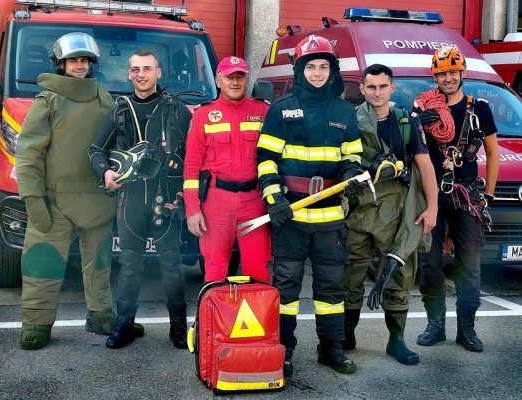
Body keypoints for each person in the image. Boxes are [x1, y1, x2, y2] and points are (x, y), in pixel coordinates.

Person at [256, 35, 364, 377]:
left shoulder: (344, 112)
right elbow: (266, 160)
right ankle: (283, 351)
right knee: (286, 289)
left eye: (323, 67)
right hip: (291, 214)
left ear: (332, 71)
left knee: (331, 288)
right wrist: (274, 199)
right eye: (311, 67)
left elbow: (352, 158)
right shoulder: (280, 110)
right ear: (299, 70)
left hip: (330, 216)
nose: (317, 73)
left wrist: (353, 173)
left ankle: (331, 349)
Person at [16, 32, 117, 350]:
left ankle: (102, 316)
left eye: (84, 60)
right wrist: (32, 197)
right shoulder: (48, 99)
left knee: (100, 264)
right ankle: (36, 324)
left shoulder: (104, 97)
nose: (80, 66)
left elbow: (115, 144)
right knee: (42, 263)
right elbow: (29, 153)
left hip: (97, 197)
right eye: (73, 61)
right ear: (60, 64)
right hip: (54, 199)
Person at [88, 49, 192, 349]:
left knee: (171, 264)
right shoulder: (120, 110)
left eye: (147, 69)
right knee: (130, 264)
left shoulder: (177, 110)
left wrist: (185, 194)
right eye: (135, 69)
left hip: (167, 201)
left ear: (158, 73)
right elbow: (95, 149)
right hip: (130, 200)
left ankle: (178, 328)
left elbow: (196, 156)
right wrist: (106, 172)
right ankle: (124, 326)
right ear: (129, 73)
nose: (141, 74)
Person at [343, 64, 438, 365]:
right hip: (359, 207)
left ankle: (396, 341)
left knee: (399, 274)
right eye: (371, 87)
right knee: (351, 271)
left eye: (383, 86)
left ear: (392, 88)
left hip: (397, 206)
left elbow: (424, 165)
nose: (377, 93)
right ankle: (346, 335)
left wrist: (432, 208)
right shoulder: (351, 119)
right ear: (362, 88)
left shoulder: (405, 120)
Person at [415, 46, 499, 352]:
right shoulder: (424, 110)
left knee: (469, 266)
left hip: (466, 194)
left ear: (462, 73)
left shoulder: (479, 110)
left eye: (452, 72)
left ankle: (467, 329)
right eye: (442, 73)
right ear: (435, 76)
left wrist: (488, 196)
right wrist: (417, 122)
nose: (448, 78)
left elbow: (492, 153)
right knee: (429, 262)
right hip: (431, 194)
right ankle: (435, 325)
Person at [183, 56, 271, 283]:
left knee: (257, 268)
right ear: (218, 80)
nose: (235, 82)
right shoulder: (203, 115)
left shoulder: (263, 111)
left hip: (254, 201)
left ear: (246, 80)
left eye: (240, 77)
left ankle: (257, 309)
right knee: (215, 268)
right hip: (216, 202)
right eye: (229, 77)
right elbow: (191, 166)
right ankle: (213, 309)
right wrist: (192, 210)